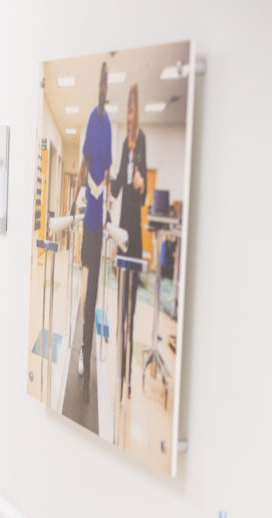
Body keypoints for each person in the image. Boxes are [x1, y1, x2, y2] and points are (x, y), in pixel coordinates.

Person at [70, 61, 112, 396]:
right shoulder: (91, 120)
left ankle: (87, 347)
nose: (101, 91)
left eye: (104, 87)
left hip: (100, 217)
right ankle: (83, 346)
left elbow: (107, 172)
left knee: (95, 290)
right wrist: (73, 200)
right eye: (99, 85)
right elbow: (83, 163)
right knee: (86, 288)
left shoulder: (108, 123)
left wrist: (108, 203)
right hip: (88, 218)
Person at [111, 83, 147, 405]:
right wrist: (107, 179)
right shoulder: (125, 144)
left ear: (139, 113)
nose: (130, 116)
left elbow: (141, 190)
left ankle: (128, 380)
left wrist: (141, 183)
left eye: (133, 110)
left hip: (136, 234)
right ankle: (119, 370)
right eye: (128, 111)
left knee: (132, 313)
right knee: (121, 305)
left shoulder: (142, 142)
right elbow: (119, 180)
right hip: (123, 230)